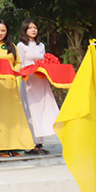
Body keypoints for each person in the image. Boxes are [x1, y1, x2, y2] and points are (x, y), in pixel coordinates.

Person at [0, 19, 34, 157]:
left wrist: (13, 71)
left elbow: (18, 62)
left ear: (7, 32)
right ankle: (0, 148)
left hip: (11, 85)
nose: (0, 33)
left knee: (13, 116)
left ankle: (14, 146)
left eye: (3, 30)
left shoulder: (12, 46)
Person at [17, 18, 59, 155]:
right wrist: (29, 71)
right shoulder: (21, 46)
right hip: (29, 81)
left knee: (43, 109)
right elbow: (20, 65)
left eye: (35, 28)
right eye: (30, 28)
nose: (33, 30)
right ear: (24, 30)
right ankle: (31, 142)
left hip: (41, 81)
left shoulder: (41, 46)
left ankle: (40, 142)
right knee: (31, 111)